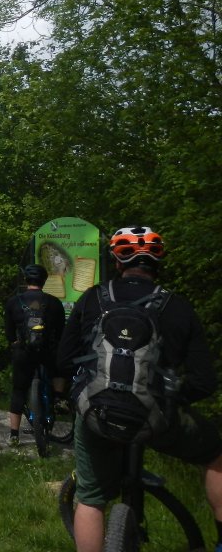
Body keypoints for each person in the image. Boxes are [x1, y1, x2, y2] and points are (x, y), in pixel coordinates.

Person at [58, 226, 222, 552]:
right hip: (156, 418)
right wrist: (170, 400)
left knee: (90, 498)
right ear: (158, 264)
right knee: (218, 455)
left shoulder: (93, 298)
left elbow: (63, 360)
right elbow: (205, 382)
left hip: (96, 414)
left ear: (116, 262)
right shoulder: (178, 307)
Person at [3, 263, 66, 446]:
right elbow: (61, 332)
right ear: (44, 281)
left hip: (23, 352)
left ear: (26, 280)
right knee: (59, 369)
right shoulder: (54, 303)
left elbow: (9, 333)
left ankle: (14, 435)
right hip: (47, 352)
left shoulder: (14, 302)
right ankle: (59, 398)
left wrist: (15, 344)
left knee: (18, 390)